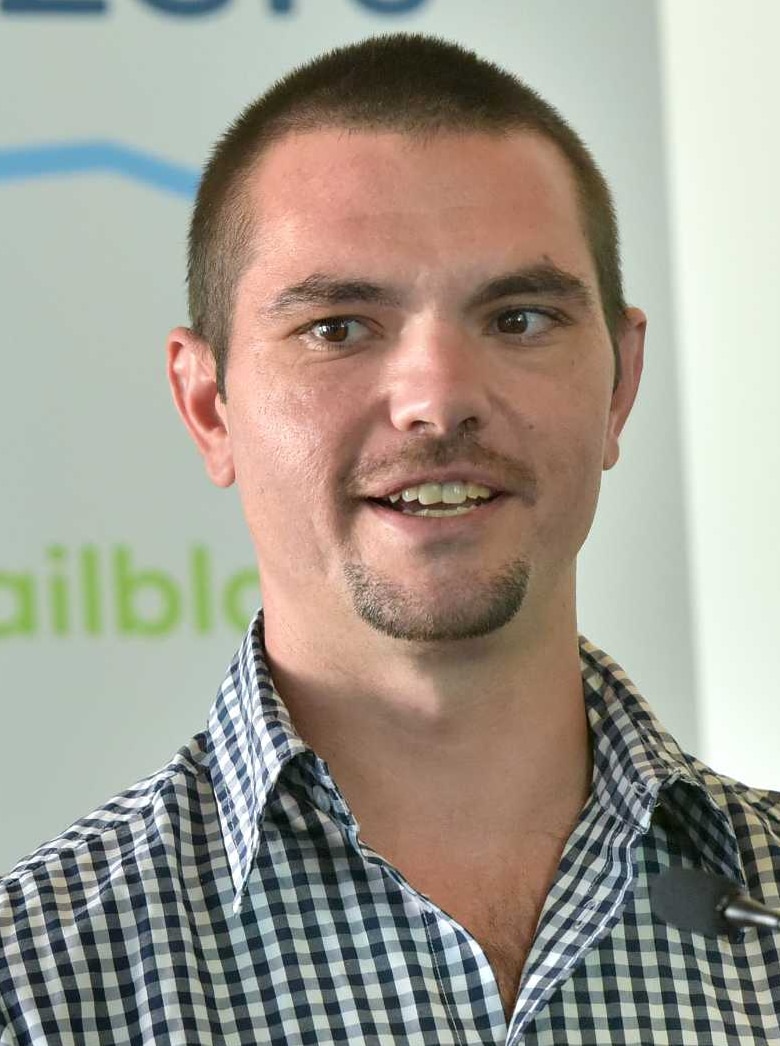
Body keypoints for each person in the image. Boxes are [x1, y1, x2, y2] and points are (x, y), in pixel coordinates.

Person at [1, 33, 778, 1046]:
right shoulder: (34, 988)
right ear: (208, 405)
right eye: (338, 326)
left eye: (521, 317)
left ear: (621, 384)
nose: (439, 398)